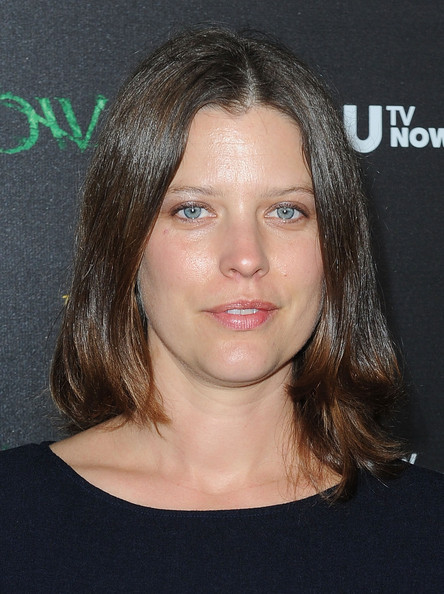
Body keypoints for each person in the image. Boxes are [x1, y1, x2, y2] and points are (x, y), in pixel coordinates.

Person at [1, 27, 442, 592]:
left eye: (286, 211)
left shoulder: (430, 533)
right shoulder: (13, 517)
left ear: (337, 250)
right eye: (192, 211)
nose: (246, 257)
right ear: (125, 244)